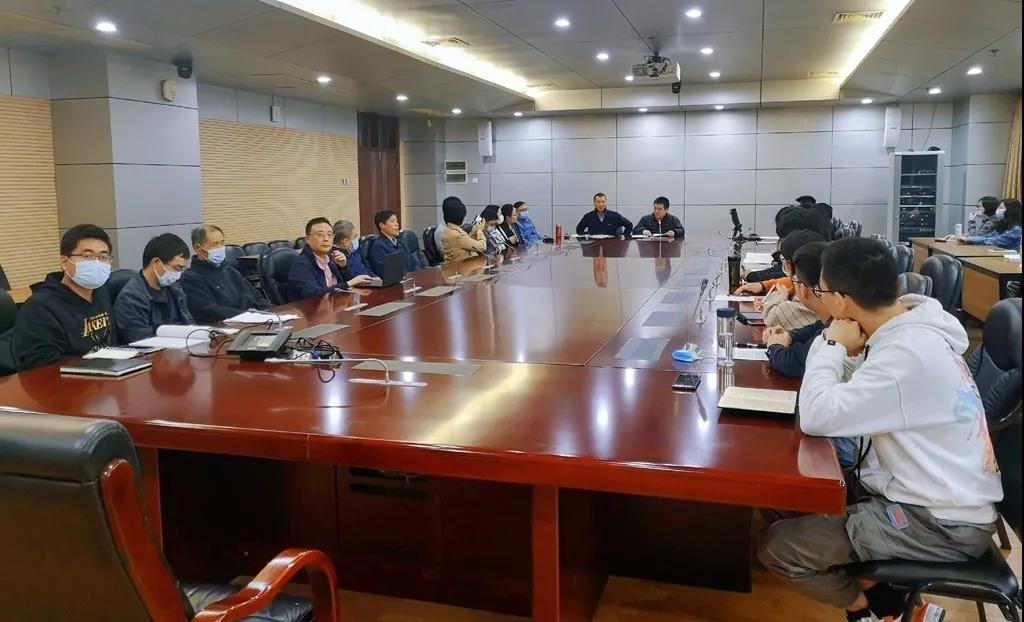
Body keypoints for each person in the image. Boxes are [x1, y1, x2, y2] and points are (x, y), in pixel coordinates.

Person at [758, 237, 1002, 622]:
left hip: (939, 522)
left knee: (778, 548)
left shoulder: (903, 356)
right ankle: (893, 604)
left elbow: (816, 416)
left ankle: (866, 614)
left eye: (823, 292)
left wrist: (830, 342)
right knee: (783, 495)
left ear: (841, 301)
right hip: (924, 494)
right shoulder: (910, 329)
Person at [11, 224, 116, 371]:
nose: (97, 263)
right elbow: (42, 366)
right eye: (87, 256)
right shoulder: (41, 306)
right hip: (67, 381)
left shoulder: (101, 293)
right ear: (64, 263)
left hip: (106, 375)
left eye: (103, 257)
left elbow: (112, 344)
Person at [761, 241, 830, 377]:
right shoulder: (829, 320)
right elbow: (815, 328)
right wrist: (789, 336)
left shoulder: (839, 327)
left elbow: (794, 362)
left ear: (803, 289)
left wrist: (774, 346)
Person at [114, 233, 194, 343]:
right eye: (177, 268)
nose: (179, 273)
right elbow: (143, 341)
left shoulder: (174, 288)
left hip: (182, 346)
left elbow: (189, 322)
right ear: (156, 262)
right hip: (155, 350)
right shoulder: (130, 298)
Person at [180, 225, 270, 323]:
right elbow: (210, 311)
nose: (220, 248)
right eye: (214, 244)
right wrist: (248, 317)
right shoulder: (190, 279)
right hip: (229, 326)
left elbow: (256, 296)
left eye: (222, 243)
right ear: (198, 248)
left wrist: (270, 312)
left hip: (255, 321)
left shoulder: (230, 271)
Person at [737, 230, 824, 331]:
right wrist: (763, 286)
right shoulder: (816, 280)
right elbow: (790, 282)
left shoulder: (808, 294)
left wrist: (779, 297)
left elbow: (772, 318)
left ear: (789, 265)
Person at [288, 217, 371, 301]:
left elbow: (348, 282)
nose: (326, 239)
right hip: (314, 308)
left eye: (330, 235)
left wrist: (343, 266)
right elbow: (314, 296)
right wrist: (348, 284)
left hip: (337, 304)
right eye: (320, 235)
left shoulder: (332, 257)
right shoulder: (301, 265)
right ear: (307, 239)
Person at [366, 210, 421, 276]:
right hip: (397, 280)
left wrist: (417, 275)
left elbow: (413, 262)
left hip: (411, 278)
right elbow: (387, 271)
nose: (397, 224)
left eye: (396, 221)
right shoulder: (379, 246)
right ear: (382, 225)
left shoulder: (401, 242)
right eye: (392, 221)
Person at [958, 198, 1022, 250]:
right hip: (999, 254)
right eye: (998, 208)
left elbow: (994, 241)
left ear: (1010, 211)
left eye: (1001, 208)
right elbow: (988, 236)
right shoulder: (1003, 224)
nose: (998, 210)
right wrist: (967, 238)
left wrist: (969, 238)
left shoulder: (1016, 229)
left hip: (1009, 258)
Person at [440, 197, 486, 262]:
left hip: (455, 266)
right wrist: (479, 231)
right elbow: (482, 247)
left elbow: (465, 242)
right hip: (461, 267)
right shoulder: (457, 234)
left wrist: (473, 233)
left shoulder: (448, 230)